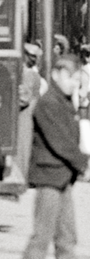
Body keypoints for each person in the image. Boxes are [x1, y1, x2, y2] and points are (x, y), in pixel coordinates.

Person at [4, 53, 90, 259]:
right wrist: (82, 164)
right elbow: (60, 141)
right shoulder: (49, 103)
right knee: (42, 236)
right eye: (71, 79)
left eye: (77, 81)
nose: (73, 84)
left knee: (66, 236)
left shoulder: (62, 100)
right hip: (49, 176)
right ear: (57, 74)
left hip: (61, 177)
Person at [16, 42, 47, 183]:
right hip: (31, 113)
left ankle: (23, 175)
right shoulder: (33, 74)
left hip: (25, 115)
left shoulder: (28, 74)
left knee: (23, 145)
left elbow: (23, 98)